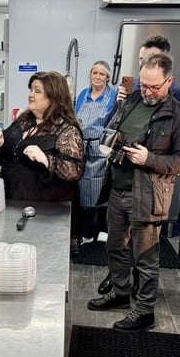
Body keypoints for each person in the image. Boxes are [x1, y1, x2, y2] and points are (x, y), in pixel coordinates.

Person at [86, 53, 180, 333]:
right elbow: (112, 126)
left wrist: (149, 159)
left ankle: (145, 310)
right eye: (143, 85)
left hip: (148, 195)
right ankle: (121, 292)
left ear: (169, 81)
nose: (147, 92)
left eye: (154, 87)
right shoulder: (132, 100)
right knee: (115, 246)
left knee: (145, 256)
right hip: (116, 187)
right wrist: (110, 140)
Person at [0, 71, 84, 201]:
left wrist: (46, 160)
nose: (31, 95)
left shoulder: (67, 130)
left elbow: (75, 171)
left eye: (37, 91)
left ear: (53, 97)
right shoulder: (24, 120)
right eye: (31, 90)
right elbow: (8, 155)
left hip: (43, 205)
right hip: (10, 197)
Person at [72, 60, 117, 253]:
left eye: (102, 74)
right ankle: (86, 231)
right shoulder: (83, 94)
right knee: (83, 189)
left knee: (101, 189)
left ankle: (102, 231)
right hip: (82, 147)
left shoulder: (113, 96)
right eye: (94, 73)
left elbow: (115, 122)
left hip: (101, 148)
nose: (97, 77)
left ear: (108, 78)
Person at [117, 35, 180, 104]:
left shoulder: (177, 93)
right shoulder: (127, 83)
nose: (144, 64)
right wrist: (119, 104)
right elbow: (114, 110)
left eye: (151, 59)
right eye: (141, 59)